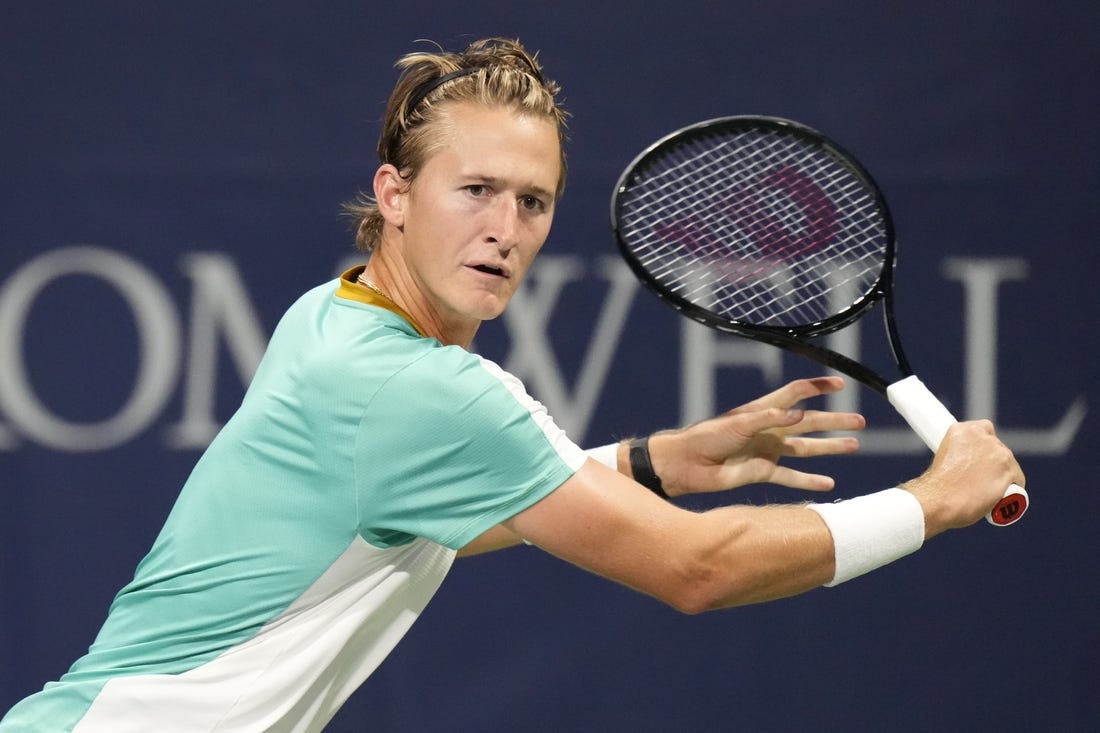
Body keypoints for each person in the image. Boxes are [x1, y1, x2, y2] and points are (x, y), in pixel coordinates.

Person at [1, 37, 1024, 732]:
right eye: (476, 190)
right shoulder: (427, 391)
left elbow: (418, 518)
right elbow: (698, 570)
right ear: (395, 194)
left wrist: (651, 461)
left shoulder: (335, 310)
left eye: (532, 202)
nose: (505, 228)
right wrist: (931, 503)